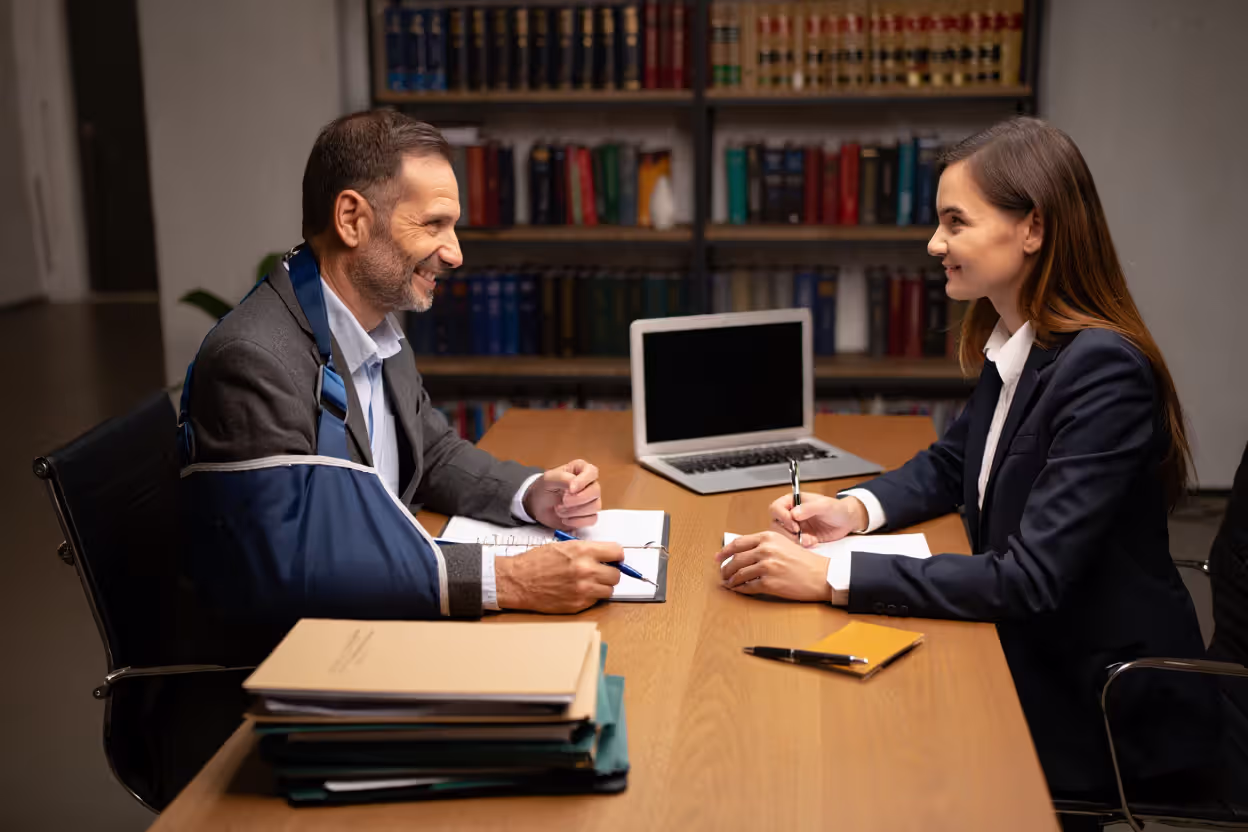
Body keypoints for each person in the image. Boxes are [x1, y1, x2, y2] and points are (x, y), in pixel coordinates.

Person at [715, 117, 1210, 804]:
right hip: (1032, 650)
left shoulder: (1103, 372)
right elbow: (954, 463)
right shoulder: (1023, 340)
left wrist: (830, 574)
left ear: (1032, 228)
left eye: (956, 222)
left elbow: (1030, 581)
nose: (934, 243)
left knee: (871, 765)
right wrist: (852, 510)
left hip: (1092, 696)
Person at [180, 110, 622, 639]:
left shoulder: (373, 323)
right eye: (433, 224)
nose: (455, 253)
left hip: (383, 611)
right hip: (314, 654)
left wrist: (529, 494)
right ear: (351, 219)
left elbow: (428, 453)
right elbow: (285, 576)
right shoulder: (254, 360)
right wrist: (504, 581)